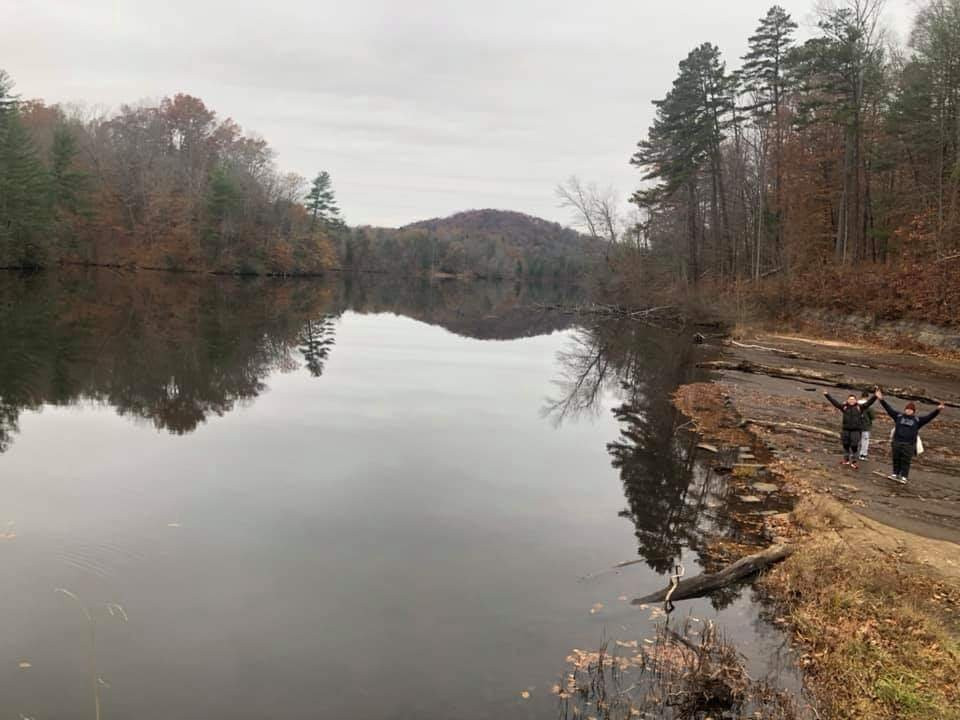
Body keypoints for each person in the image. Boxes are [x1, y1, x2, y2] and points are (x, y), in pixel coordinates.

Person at [877, 389, 945, 484]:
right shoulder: (898, 416)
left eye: (910, 410)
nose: (908, 411)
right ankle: (895, 473)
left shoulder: (918, 420)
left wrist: (938, 410)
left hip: (909, 444)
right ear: (905, 409)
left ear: (913, 411)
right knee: (896, 458)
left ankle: (904, 476)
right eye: (907, 409)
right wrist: (881, 399)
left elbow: (929, 417)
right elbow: (889, 409)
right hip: (897, 442)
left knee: (906, 460)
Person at [824, 390, 877, 470]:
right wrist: (827, 395)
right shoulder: (844, 407)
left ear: (856, 400)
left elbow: (869, 403)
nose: (851, 401)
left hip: (856, 430)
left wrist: (875, 396)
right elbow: (835, 403)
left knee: (854, 445)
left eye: (853, 399)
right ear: (847, 400)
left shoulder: (860, 407)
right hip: (845, 429)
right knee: (845, 445)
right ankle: (846, 460)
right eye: (850, 399)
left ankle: (854, 461)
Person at [858, 389, 875, 460]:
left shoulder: (856, 403)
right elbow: (872, 416)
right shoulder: (869, 406)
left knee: (856, 439)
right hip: (865, 425)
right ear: (867, 397)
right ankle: (863, 455)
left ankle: (854, 453)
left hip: (856, 424)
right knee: (865, 441)